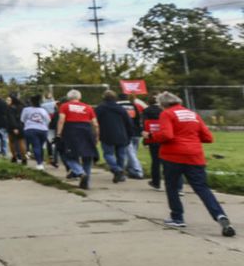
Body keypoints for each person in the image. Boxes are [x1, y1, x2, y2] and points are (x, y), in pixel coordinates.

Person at [145, 91, 235, 236]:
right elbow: (208, 137)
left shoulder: (167, 114)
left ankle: (177, 217)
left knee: (172, 186)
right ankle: (220, 216)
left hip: (172, 156)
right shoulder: (193, 114)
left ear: (163, 104)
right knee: (202, 188)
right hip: (195, 156)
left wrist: (151, 136)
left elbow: (167, 135)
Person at [56, 89, 99, 189]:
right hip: (87, 131)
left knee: (68, 156)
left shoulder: (65, 106)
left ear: (68, 98)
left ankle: (79, 172)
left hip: (71, 131)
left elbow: (61, 120)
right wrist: (96, 136)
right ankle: (86, 183)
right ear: (79, 97)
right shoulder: (88, 107)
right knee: (87, 157)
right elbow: (95, 124)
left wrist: (58, 134)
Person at [95, 90, 134, 183]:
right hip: (122, 134)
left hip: (107, 135)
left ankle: (117, 170)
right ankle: (120, 173)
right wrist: (129, 135)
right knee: (121, 155)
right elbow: (129, 123)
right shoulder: (121, 109)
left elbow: (94, 121)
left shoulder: (100, 108)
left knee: (108, 154)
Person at [117, 93, 146, 178]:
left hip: (125, 132)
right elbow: (138, 119)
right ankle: (131, 170)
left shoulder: (118, 106)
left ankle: (138, 171)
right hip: (135, 131)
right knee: (133, 152)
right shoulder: (133, 105)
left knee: (130, 153)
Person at [20, 95, 51, 170]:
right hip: (43, 130)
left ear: (31, 102)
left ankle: (39, 163)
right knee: (40, 146)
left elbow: (22, 119)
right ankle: (40, 160)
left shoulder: (26, 109)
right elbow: (48, 120)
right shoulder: (43, 110)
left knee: (36, 146)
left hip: (31, 129)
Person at [6, 93, 27, 165]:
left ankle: (14, 156)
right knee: (21, 142)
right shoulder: (23, 106)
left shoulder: (11, 107)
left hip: (12, 127)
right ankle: (24, 158)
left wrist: (15, 127)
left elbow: (11, 118)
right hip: (22, 126)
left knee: (11, 142)